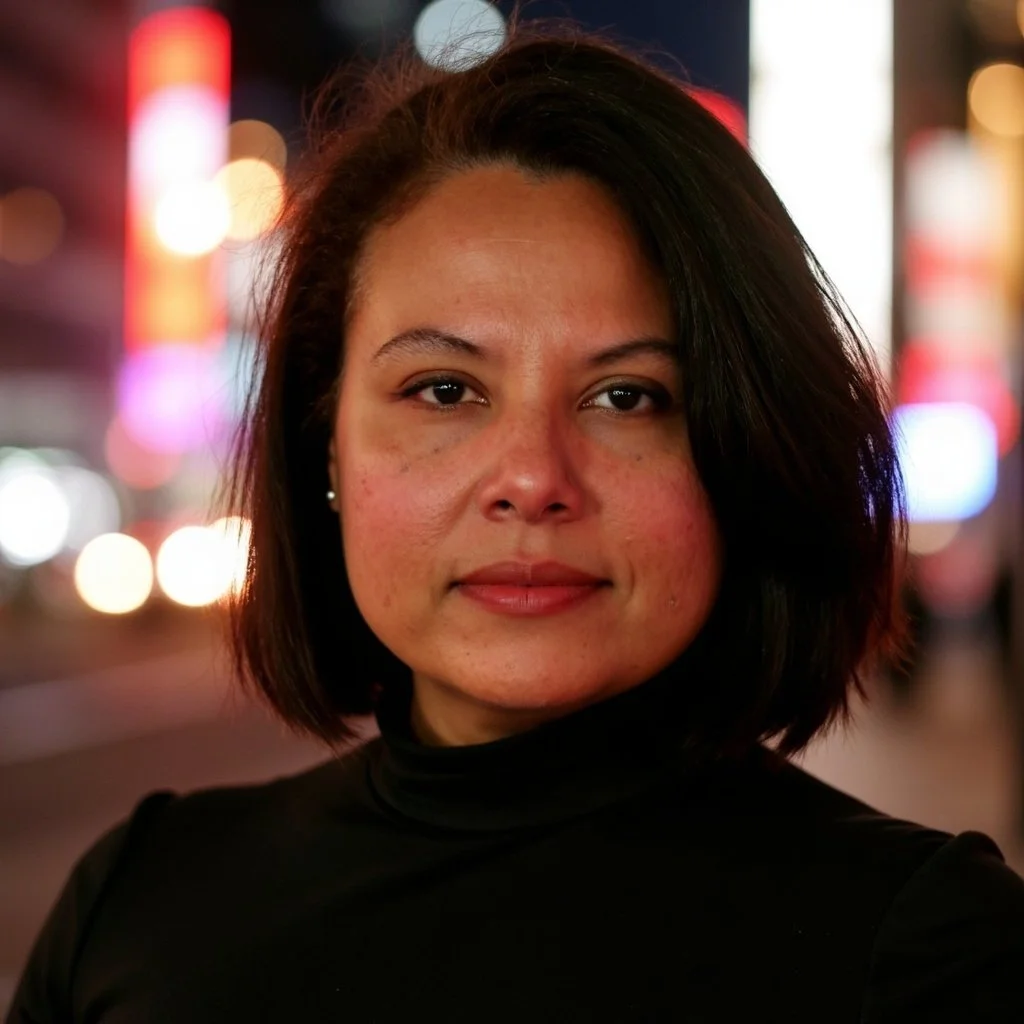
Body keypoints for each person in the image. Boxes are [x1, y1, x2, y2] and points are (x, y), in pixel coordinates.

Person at [9, 20, 1024, 1024]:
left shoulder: (929, 955)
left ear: (744, 449)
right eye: (444, 390)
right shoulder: (137, 905)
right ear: (325, 445)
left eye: (627, 397)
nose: (532, 479)